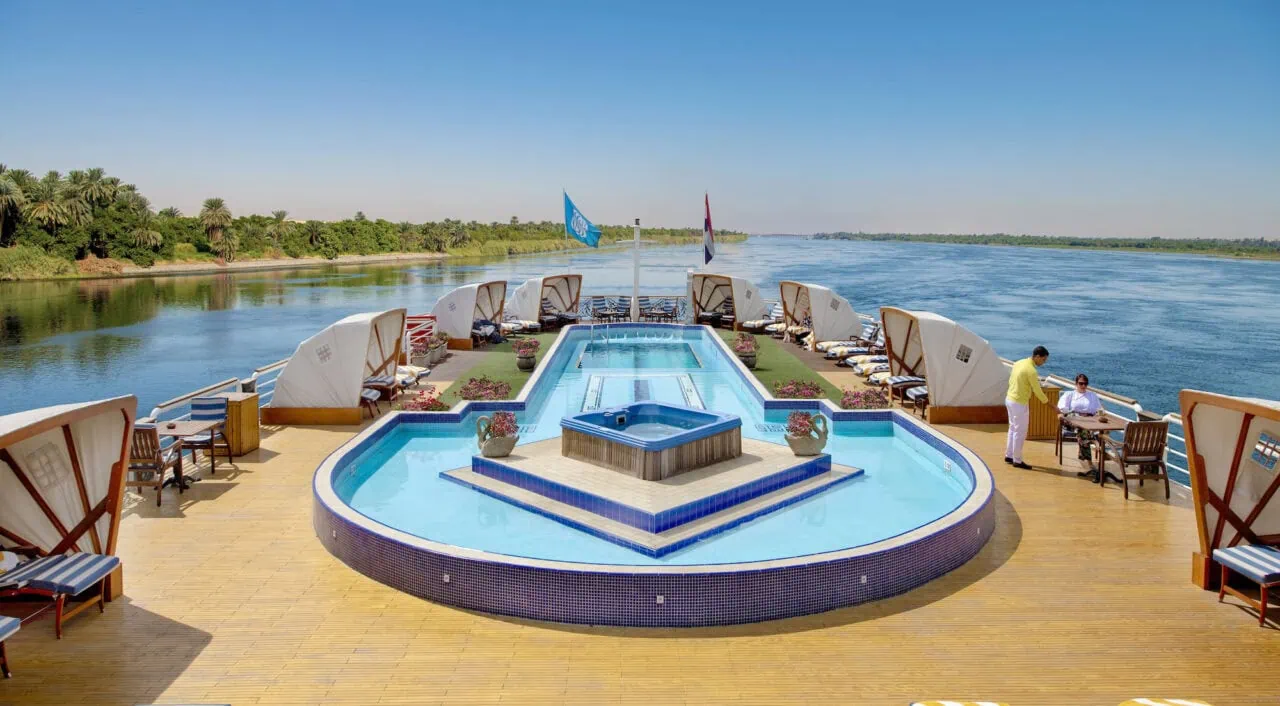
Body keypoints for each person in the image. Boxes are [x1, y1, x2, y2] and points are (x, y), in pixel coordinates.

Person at [1005, 345, 1050, 469]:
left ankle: (1009, 455)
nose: (1043, 362)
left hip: (1009, 399)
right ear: (1037, 356)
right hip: (1019, 403)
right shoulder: (1031, 370)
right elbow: (1038, 391)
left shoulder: (1019, 363)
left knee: (1013, 428)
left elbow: (1012, 380)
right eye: (1043, 360)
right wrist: (1050, 404)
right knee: (1020, 432)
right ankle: (1017, 460)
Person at [1058, 373, 1103, 466]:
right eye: (1081, 383)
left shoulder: (1092, 395)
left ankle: (1094, 448)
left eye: (1085, 384)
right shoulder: (1069, 395)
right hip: (1073, 421)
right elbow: (1062, 409)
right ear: (1076, 383)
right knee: (1083, 431)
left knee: (1087, 432)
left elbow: (1099, 409)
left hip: (1089, 420)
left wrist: (1099, 414)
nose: (1083, 386)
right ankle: (1090, 462)